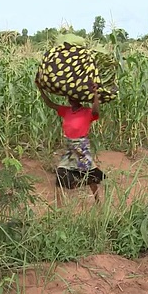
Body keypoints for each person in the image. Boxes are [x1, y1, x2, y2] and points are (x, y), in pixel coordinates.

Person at [36, 76, 106, 207]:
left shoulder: (87, 112)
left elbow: (96, 110)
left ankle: (98, 202)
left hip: (81, 148)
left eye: (75, 98)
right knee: (60, 174)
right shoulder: (65, 111)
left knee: (90, 177)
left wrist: (95, 93)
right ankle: (59, 207)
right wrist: (41, 90)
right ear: (69, 99)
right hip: (69, 149)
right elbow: (50, 104)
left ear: (79, 99)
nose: (72, 100)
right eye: (71, 98)